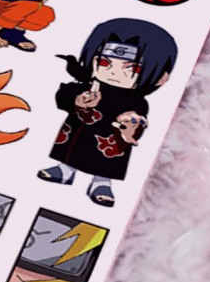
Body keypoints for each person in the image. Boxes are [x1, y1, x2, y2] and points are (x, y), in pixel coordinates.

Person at [39, 18, 177, 206]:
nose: (113, 72)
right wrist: (77, 100)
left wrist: (130, 125)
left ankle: (101, 182)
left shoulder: (137, 101)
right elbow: (64, 95)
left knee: (107, 161)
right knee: (71, 148)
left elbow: (137, 120)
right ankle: (66, 170)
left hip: (110, 140)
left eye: (132, 68)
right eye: (105, 62)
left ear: (161, 77)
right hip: (78, 132)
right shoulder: (88, 87)